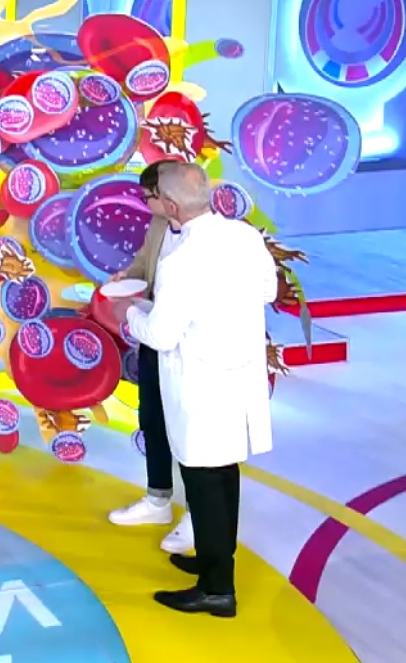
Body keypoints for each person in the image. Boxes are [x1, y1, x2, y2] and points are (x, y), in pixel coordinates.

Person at [113, 163, 277, 617]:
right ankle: (213, 558)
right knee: (224, 474)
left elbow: (161, 335)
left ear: (170, 205)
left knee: (204, 480)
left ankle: (217, 589)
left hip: (199, 382)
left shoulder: (181, 260)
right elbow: (267, 290)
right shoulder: (245, 236)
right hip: (237, 373)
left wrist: (129, 312)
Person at [105, 159, 194, 555]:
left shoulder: (209, 237)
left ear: (169, 197)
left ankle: (197, 512)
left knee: (190, 433)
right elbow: (145, 263)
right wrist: (126, 277)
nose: (146, 204)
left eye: (149, 197)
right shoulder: (159, 225)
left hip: (191, 350)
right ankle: (158, 499)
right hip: (154, 337)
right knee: (153, 420)